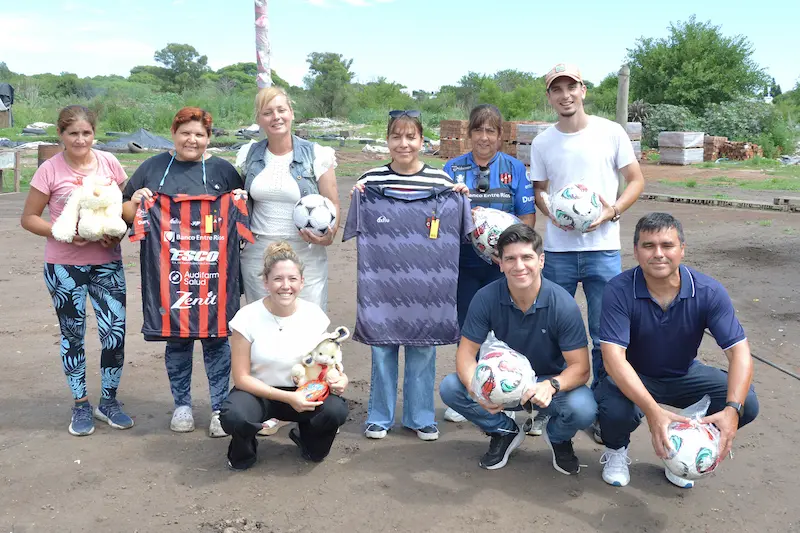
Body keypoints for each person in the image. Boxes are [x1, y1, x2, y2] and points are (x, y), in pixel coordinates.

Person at [595, 212, 759, 488]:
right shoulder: (618, 290)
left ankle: (684, 453)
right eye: (648, 246)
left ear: (682, 249)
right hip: (634, 373)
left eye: (667, 245)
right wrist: (652, 411)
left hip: (683, 373)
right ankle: (616, 451)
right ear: (636, 251)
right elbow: (613, 360)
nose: (658, 254)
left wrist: (732, 409)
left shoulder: (708, 291)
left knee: (746, 403)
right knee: (614, 408)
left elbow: (739, 353)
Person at [530, 63, 645, 444]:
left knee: (605, 335)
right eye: (556, 89)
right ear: (549, 97)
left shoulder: (611, 133)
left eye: (571, 87)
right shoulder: (543, 142)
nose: (565, 95)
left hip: (603, 251)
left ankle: (602, 410)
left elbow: (636, 180)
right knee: (549, 331)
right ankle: (546, 403)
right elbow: (540, 192)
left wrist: (611, 211)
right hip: (559, 252)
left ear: (583, 90)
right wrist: (554, 214)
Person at [346, 110, 470, 442]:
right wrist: (358, 195)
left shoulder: (441, 183)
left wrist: (458, 198)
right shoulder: (370, 182)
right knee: (382, 349)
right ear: (387, 141)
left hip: (428, 286)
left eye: (411, 137)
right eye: (397, 137)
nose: (404, 144)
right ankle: (379, 416)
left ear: (421, 140)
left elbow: (461, 228)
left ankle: (421, 417)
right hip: (382, 284)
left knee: (423, 347)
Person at [121, 107, 243, 437]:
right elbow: (126, 213)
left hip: (215, 275)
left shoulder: (224, 170)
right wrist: (136, 199)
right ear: (173, 133)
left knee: (217, 339)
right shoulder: (153, 167)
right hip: (168, 275)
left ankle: (219, 409)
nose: (192, 139)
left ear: (208, 138)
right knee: (177, 339)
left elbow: (241, 215)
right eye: (185, 133)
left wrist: (241, 200)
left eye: (200, 134)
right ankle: (182, 406)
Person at [439, 224, 597, 474]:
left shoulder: (563, 305)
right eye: (510, 258)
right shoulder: (485, 297)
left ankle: (557, 437)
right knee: (451, 388)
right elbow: (466, 354)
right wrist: (477, 390)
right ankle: (503, 431)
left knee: (584, 408)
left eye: (527, 257)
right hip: (500, 382)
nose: (519, 266)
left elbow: (581, 368)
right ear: (499, 263)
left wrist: (552, 386)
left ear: (541, 260)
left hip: (544, 387)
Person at [21, 105, 133, 436]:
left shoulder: (110, 163)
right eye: (73, 133)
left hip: (107, 262)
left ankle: (109, 402)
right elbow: (29, 218)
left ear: (93, 134)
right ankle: (81, 404)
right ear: (61, 135)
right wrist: (63, 230)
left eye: (86, 133)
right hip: (64, 265)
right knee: (73, 335)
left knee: (115, 334)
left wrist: (122, 226)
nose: (80, 139)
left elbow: (126, 204)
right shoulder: (49, 170)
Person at [441, 104, 537, 429]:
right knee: (468, 327)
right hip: (466, 261)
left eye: (491, 131)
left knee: (507, 327)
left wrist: (518, 255)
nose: (484, 137)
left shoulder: (515, 169)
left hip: (505, 264)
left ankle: (509, 389)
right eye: (478, 130)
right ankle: (471, 392)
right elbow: (438, 216)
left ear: (500, 135)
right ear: (469, 133)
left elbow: (527, 217)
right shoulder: (451, 168)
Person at [219, 242, 349, 470]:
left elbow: (329, 360)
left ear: (302, 282)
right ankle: (245, 448)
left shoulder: (314, 315)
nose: (285, 286)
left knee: (335, 411)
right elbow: (241, 379)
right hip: (260, 393)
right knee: (234, 415)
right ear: (266, 282)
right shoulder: (246, 317)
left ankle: (307, 438)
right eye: (278, 279)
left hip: (306, 392)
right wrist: (288, 398)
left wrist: (341, 379)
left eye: (292, 279)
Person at [238, 86, 340, 310]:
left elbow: (332, 203)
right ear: (259, 119)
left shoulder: (317, 154)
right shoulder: (249, 155)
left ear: (291, 112)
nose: (276, 117)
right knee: (262, 323)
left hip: (305, 251)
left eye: (281, 110)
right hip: (258, 252)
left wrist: (328, 237)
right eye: (267, 112)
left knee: (308, 323)